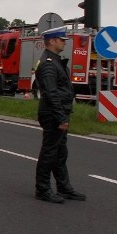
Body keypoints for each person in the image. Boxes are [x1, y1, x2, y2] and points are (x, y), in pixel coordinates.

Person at [34, 26, 86, 204]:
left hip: (58, 111)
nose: (64, 42)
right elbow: (50, 93)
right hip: (53, 113)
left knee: (60, 152)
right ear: (52, 41)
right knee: (50, 152)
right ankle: (43, 189)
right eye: (61, 39)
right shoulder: (49, 63)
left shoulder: (55, 61)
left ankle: (64, 187)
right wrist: (61, 117)